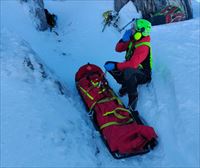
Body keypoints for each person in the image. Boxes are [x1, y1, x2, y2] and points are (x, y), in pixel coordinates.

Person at [104, 19, 153, 111]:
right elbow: (118, 49)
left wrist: (116, 66)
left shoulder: (143, 46)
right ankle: (126, 85)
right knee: (109, 65)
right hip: (133, 70)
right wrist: (123, 40)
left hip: (143, 75)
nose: (131, 30)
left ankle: (133, 98)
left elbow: (132, 64)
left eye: (134, 29)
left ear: (140, 32)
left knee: (127, 71)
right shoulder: (133, 39)